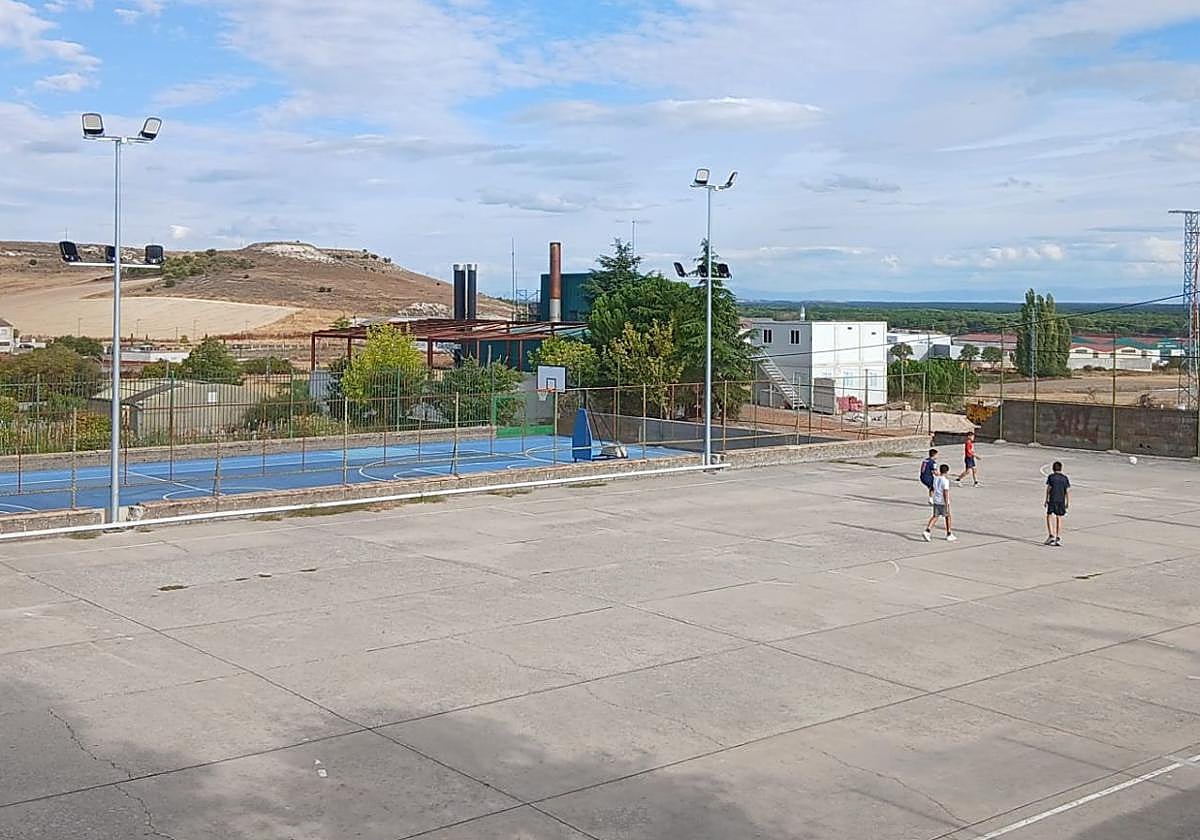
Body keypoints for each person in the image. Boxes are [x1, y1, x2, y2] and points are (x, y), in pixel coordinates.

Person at [924, 464, 957, 541]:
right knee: (948, 516)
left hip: (936, 500)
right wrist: (946, 504)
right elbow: (945, 493)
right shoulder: (945, 481)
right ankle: (949, 533)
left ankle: (927, 530)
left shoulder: (936, 479)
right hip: (942, 501)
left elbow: (933, 488)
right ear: (947, 471)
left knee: (935, 516)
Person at [1045, 461, 1070, 546]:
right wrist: (1067, 501)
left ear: (1053, 468)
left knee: (1049, 515)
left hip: (1053, 499)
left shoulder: (1051, 477)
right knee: (1059, 517)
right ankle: (1058, 537)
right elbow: (1066, 491)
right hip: (1061, 500)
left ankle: (1051, 534)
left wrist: (1046, 499)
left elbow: (1049, 489)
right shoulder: (1065, 478)